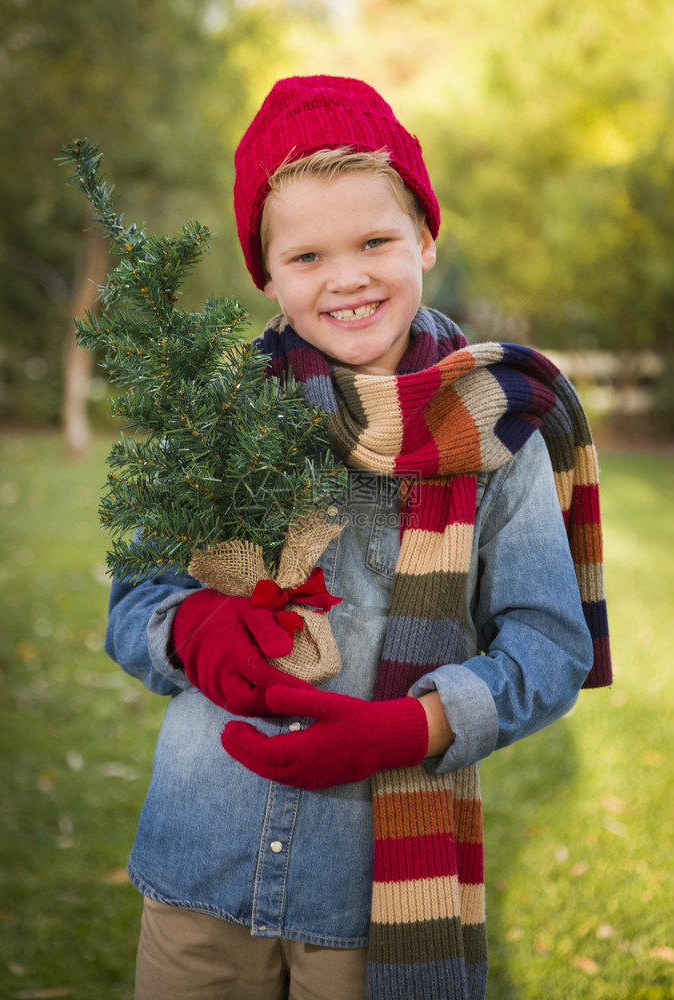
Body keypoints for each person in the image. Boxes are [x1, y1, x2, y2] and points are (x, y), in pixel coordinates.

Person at [105, 75, 611, 1000]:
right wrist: (190, 631)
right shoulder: (215, 417)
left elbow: (551, 645)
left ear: (426, 235)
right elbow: (135, 601)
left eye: (375, 240)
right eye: (306, 256)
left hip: (372, 906)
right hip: (199, 874)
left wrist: (409, 726)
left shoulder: (498, 433)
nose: (346, 277)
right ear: (265, 273)